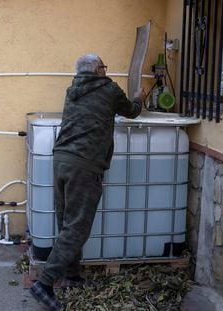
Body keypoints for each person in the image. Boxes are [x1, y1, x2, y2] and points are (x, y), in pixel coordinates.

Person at [29, 54, 146, 311]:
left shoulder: (73, 89)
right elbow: (132, 112)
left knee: (66, 222)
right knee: (77, 227)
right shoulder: (108, 88)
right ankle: (45, 283)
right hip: (84, 164)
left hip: (60, 160)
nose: (106, 70)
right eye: (104, 66)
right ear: (97, 69)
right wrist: (139, 96)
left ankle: (72, 276)